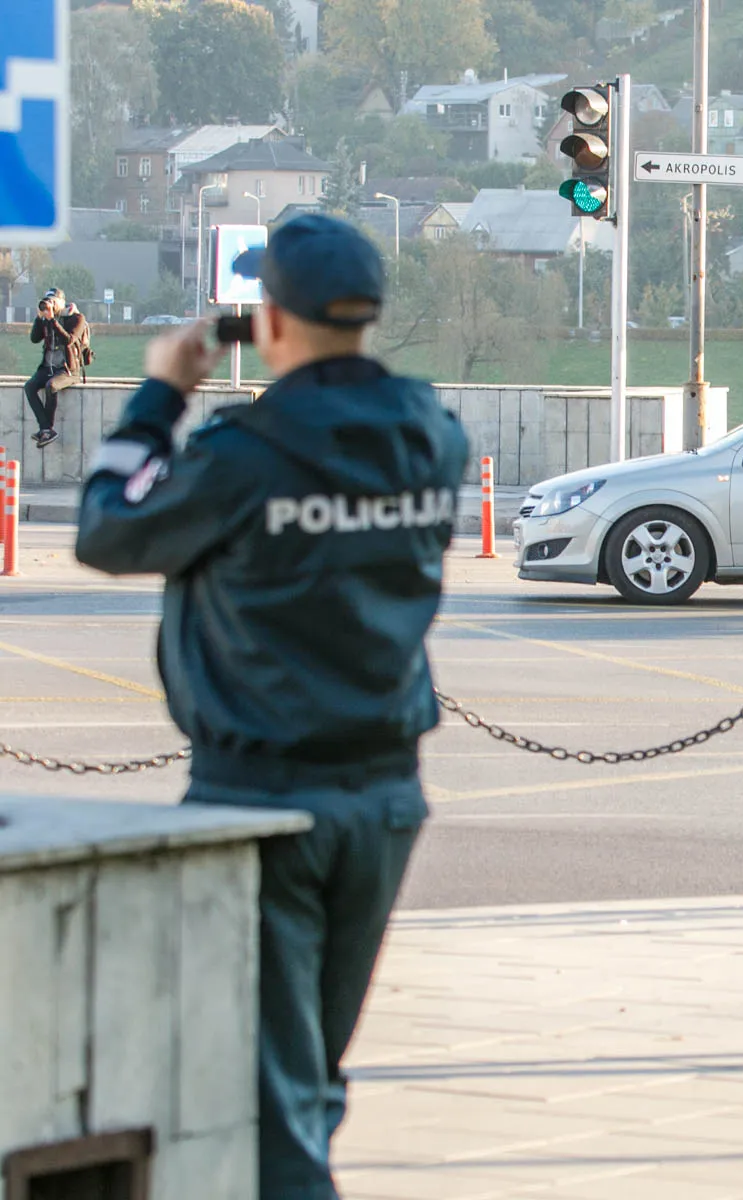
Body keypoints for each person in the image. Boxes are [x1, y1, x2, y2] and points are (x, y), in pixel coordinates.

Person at [74, 214, 469, 1199]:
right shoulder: (431, 432)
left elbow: (106, 528)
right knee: (312, 1074)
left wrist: (162, 391)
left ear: (270, 325)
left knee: (264, 1094)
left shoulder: (243, 454)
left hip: (260, 802)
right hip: (384, 798)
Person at [26, 288, 89, 448]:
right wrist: (39, 318)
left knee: (51, 386)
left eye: (53, 301)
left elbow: (69, 340)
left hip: (68, 369)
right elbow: (34, 338)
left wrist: (53, 321)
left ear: (61, 302)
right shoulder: (46, 319)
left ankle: (47, 429)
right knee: (29, 387)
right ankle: (46, 428)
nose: (50, 305)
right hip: (47, 368)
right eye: (48, 301)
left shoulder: (77, 318)